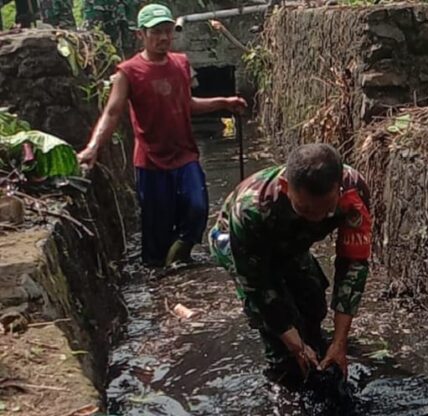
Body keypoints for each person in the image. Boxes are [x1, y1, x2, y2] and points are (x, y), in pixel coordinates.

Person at [77, 3, 247, 267]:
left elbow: (187, 104)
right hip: (151, 161)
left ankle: (180, 257)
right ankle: (158, 274)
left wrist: (224, 102)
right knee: (157, 227)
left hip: (185, 154)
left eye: (168, 31)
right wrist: (93, 147)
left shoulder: (181, 63)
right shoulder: (128, 72)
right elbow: (112, 113)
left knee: (197, 207)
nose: (164, 38)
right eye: (156, 32)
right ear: (140, 35)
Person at [209, 143, 372, 383]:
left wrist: (340, 342)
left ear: (338, 189)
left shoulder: (353, 191)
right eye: (305, 208)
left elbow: (353, 264)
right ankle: (281, 373)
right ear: (286, 188)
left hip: (292, 241)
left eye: (325, 210)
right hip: (235, 240)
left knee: (313, 302)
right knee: (283, 346)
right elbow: (258, 284)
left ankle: (315, 347)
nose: (316, 218)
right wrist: (290, 338)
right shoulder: (251, 209)